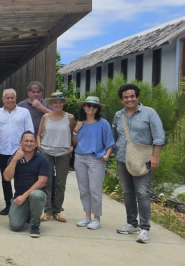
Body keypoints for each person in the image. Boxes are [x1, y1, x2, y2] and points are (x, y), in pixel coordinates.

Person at [112, 83, 165, 244]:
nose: (129, 99)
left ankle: (144, 228)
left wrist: (155, 156)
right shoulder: (118, 115)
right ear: (121, 100)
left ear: (137, 97)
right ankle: (131, 224)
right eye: (126, 97)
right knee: (127, 192)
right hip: (123, 158)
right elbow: (115, 135)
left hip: (143, 159)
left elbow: (159, 136)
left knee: (142, 193)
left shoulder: (149, 113)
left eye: (132, 96)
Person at [73, 96, 115, 230]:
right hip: (80, 158)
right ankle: (87, 216)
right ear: (84, 107)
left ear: (98, 109)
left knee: (95, 190)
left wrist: (106, 156)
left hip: (96, 159)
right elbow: (74, 143)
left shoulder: (103, 123)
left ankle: (97, 219)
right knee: (83, 189)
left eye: (94, 106)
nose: (91, 108)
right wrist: (75, 130)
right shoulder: (80, 123)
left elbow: (110, 143)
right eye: (88, 105)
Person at [0, 88, 33, 216]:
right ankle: (8, 204)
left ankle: (21, 203)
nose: (10, 100)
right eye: (7, 98)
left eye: (12, 98)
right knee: (6, 179)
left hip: (20, 151)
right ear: (3, 99)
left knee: (21, 178)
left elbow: (29, 131)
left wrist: (26, 148)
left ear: (16, 98)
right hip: (2, 150)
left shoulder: (24, 112)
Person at [4, 132, 50, 238]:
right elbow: (7, 177)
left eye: (31, 141)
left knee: (35, 195)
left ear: (36, 144)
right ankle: (29, 213)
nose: (29, 143)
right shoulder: (14, 158)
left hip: (37, 194)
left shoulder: (42, 159)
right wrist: (15, 159)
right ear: (20, 143)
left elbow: (42, 182)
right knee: (15, 226)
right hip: (19, 195)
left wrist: (24, 196)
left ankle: (35, 225)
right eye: (26, 141)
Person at [37, 92, 75, 223]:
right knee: (46, 182)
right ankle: (47, 211)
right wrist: (39, 147)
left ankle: (57, 211)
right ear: (51, 104)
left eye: (60, 102)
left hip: (63, 153)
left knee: (60, 183)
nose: (58, 104)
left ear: (63, 103)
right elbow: (38, 134)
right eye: (55, 102)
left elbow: (72, 133)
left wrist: (71, 147)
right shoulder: (45, 117)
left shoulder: (69, 117)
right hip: (46, 151)